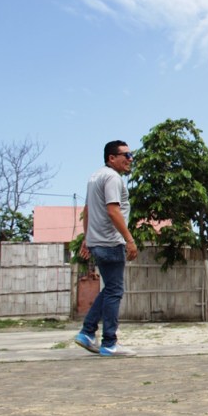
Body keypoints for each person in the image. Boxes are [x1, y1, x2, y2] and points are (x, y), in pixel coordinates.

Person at [75, 140, 139, 357]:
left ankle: (87, 332)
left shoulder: (95, 177)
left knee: (110, 288)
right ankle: (109, 342)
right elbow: (113, 211)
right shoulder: (113, 178)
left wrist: (87, 238)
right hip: (111, 243)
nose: (130, 159)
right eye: (126, 155)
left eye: (131, 155)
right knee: (114, 291)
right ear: (112, 158)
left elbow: (87, 209)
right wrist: (129, 240)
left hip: (97, 242)